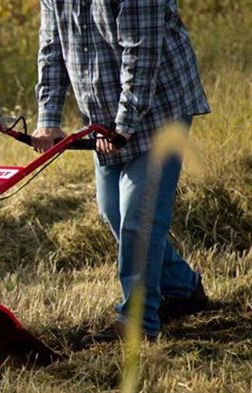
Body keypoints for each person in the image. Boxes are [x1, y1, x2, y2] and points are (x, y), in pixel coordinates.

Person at [31, 0, 211, 345]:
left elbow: (142, 53)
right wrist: (48, 119)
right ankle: (183, 288)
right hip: (104, 115)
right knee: (112, 209)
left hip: (160, 106)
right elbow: (51, 47)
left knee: (139, 218)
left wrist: (124, 126)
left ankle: (139, 323)